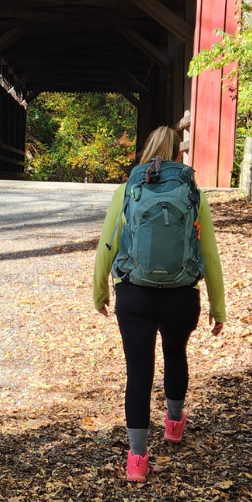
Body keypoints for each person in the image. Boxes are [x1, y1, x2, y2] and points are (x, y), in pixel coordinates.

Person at [93, 126, 226, 483]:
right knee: (175, 354)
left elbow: (108, 245)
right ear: (178, 156)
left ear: (146, 151)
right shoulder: (193, 193)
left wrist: (100, 291)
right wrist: (218, 306)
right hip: (181, 295)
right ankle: (174, 423)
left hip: (134, 295)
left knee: (138, 371)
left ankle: (137, 459)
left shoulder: (128, 189)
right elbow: (209, 254)